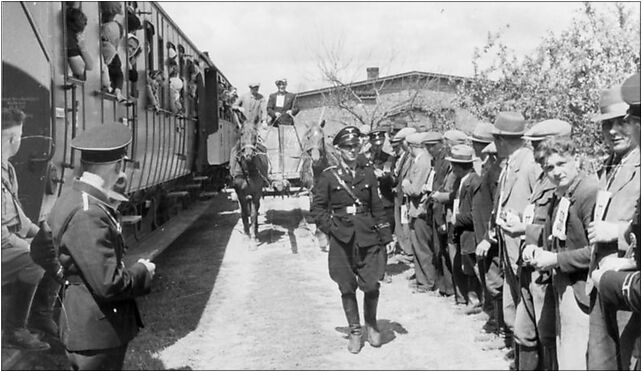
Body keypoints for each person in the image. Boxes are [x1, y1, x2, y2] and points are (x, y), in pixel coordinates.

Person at [48, 124, 155, 370]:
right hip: (98, 332)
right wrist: (142, 272)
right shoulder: (89, 213)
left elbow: (39, 249)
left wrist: (67, 274)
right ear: (117, 167)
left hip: (81, 326)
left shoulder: (69, 199)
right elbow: (109, 283)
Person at [311, 126, 395, 354]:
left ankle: (371, 324)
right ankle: (356, 331)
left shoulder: (367, 174)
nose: (351, 150)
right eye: (347, 147)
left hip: (368, 236)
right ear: (338, 149)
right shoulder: (329, 176)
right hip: (342, 239)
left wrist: (386, 235)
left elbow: (377, 207)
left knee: (371, 284)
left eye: (355, 146)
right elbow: (317, 209)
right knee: (346, 285)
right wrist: (331, 228)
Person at [525, 136, 598, 370]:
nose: (556, 172)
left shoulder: (588, 192)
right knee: (564, 352)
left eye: (561, 163)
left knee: (576, 358)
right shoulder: (561, 194)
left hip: (582, 290)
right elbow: (557, 238)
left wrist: (555, 259)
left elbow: (597, 252)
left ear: (576, 160)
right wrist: (538, 250)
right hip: (562, 285)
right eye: (549, 167)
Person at [586, 82, 641, 370]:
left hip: (628, 285)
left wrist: (617, 232)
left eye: (622, 122)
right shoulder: (609, 164)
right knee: (598, 362)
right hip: (600, 280)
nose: (613, 131)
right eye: (607, 124)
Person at [512, 119, 571, 370]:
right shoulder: (542, 177)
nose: (535, 153)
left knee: (547, 335)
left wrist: (526, 231)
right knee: (526, 329)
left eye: (539, 145)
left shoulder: (562, 179)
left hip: (548, 268)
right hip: (531, 262)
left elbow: (557, 227)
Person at [491, 111, 542, 365]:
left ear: (502, 139)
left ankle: (527, 355)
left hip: (522, 245)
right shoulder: (509, 163)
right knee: (513, 297)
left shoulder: (530, 164)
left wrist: (523, 227)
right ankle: (516, 349)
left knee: (524, 301)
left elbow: (541, 206)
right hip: (507, 243)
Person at [1, 108, 51, 351]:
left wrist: (42, 233)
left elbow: (17, 216)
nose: (21, 140)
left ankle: (40, 316)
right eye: (20, 135)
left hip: (7, 241)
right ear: (12, 139)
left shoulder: (7, 169)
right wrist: (29, 246)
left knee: (50, 248)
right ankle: (14, 330)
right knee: (35, 259)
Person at [430, 129, 468, 301]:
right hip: (447, 213)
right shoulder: (450, 165)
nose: (446, 145)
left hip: (455, 215)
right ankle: (454, 291)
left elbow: (455, 194)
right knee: (447, 252)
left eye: (448, 142)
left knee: (457, 255)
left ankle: (461, 294)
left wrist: (441, 197)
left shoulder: (459, 169)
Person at [402, 132, 438, 294]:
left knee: (422, 248)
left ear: (411, 146)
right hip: (415, 210)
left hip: (420, 211)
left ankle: (427, 282)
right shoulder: (418, 160)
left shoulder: (423, 162)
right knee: (417, 246)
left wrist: (405, 184)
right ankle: (421, 279)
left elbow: (415, 190)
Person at [450, 144, 484, 312]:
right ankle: (473, 301)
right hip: (464, 234)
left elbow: (475, 215)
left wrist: (456, 219)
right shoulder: (462, 181)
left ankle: (479, 303)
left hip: (471, 234)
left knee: (475, 269)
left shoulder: (474, 182)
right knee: (468, 268)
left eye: (454, 165)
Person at [390, 127, 416, 261]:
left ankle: (409, 251)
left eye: (402, 142)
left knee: (406, 224)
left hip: (407, 196)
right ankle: (406, 250)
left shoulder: (413, 157)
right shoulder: (406, 156)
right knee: (402, 222)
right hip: (400, 195)